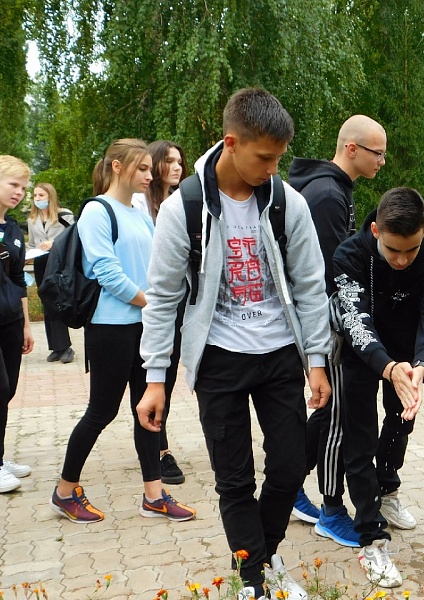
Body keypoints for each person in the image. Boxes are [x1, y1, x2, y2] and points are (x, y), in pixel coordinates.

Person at [136, 88, 332, 600]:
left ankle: (259, 555)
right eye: (264, 157)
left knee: (290, 467)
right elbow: (161, 297)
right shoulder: (186, 207)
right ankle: (254, 580)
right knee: (235, 479)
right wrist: (155, 379)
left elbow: (311, 286)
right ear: (231, 143)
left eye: (278, 158)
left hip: (279, 355)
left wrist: (316, 360)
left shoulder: (288, 202)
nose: (272, 168)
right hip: (218, 360)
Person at [50, 139, 196, 524]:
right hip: (111, 328)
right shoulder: (96, 211)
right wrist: (152, 302)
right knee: (101, 411)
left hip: (142, 326)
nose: (151, 176)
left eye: (152, 169)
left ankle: (153, 494)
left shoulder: (137, 210)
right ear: (117, 166)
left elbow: (152, 263)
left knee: (148, 410)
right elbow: (105, 270)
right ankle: (65, 491)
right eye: (143, 169)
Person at [332, 187, 424, 587]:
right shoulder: (349, 255)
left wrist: (422, 365)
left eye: (411, 250)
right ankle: (370, 536)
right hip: (363, 354)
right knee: (360, 440)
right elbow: (354, 320)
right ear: (375, 230)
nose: (402, 261)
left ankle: (389, 489)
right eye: (392, 251)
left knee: (401, 422)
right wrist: (386, 367)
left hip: (411, 358)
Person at [288, 115, 387, 547]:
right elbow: (331, 274)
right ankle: (331, 509)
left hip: (328, 321)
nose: (383, 160)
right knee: (335, 416)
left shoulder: (332, 189)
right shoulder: (327, 195)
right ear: (351, 148)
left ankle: (289, 484)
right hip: (326, 323)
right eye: (376, 152)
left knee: (331, 412)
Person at [131, 140, 188, 485]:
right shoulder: (140, 204)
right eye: (169, 161)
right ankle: (159, 450)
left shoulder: (183, 203)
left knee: (167, 373)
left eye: (180, 161)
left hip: (178, 302)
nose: (177, 167)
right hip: (148, 304)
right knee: (153, 375)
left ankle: (153, 441)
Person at [0, 155, 35, 493]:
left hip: (10, 321)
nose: (20, 193)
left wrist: (26, 325)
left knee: (7, 390)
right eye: (13, 185)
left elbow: (18, 280)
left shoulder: (12, 230)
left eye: (23, 188)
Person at [27, 182, 76, 364]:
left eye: (41, 195)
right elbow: (32, 244)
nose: (37, 199)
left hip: (60, 263)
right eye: (35, 196)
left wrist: (54, 243)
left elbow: (72, 237)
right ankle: (56, 347)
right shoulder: (32, 220)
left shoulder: (65, 215)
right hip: (41, 263)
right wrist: (28, 255)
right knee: (47, 303)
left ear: (50, 196)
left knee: (59, 301)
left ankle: (66, 347)